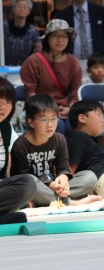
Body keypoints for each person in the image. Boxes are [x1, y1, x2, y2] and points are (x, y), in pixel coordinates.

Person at [10, 94, 100, 207]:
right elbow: (23, 178)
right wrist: (51, 185)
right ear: (31, 122)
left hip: (54, 186)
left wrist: (63, 179)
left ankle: (47, 200)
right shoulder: (20, 145)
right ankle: (71, 202)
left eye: (53, 119)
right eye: (43, 119)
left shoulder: (59, 139)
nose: (50, 124)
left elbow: (63, 168)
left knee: (90, 177)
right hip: (34, 186)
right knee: (30, 182)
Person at [20, 19, 82, 136]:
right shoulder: (33, 61)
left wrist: (71, 109)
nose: (60, 40)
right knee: (57, 125)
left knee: (77, 124)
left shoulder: (73, 61)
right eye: (55, 36)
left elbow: (76, 92)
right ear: (47, 38)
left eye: (64, 36)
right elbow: (30, 93)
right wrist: (49, 111)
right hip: (40, 109)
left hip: (65, 108)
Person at [0, 77, 37, 224]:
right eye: (0, 102)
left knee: (28, 183)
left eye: (8, 102)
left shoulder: (6, 128)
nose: (4, 107)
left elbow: (7, 170)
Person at [3, 0, 42, 66]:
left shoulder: (32, 30)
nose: (22, 9)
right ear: (13, 9)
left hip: (26, 67)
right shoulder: (4, 26)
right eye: (19, 7)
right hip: (5, 67)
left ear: (29, 11)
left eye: (25, 7)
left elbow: (39, 48)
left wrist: (31, 61)